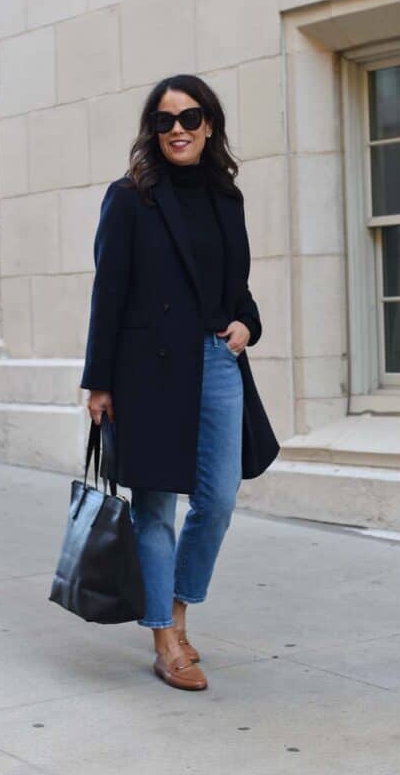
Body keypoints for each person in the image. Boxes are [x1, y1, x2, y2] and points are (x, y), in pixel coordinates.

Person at [80, 74, 279, 691]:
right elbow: (108, 291)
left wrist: (247, 323)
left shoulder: (226, 197)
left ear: (209, 125)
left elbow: (236, 284)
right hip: (148, 369)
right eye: (164, 121)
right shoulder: (130, 197)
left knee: (217, 499)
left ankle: (177, 605)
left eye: (189, 118)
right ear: (153, 130)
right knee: (156, 506)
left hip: (217, 360)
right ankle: (165, 638)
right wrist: (99, 382)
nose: (177, 130)